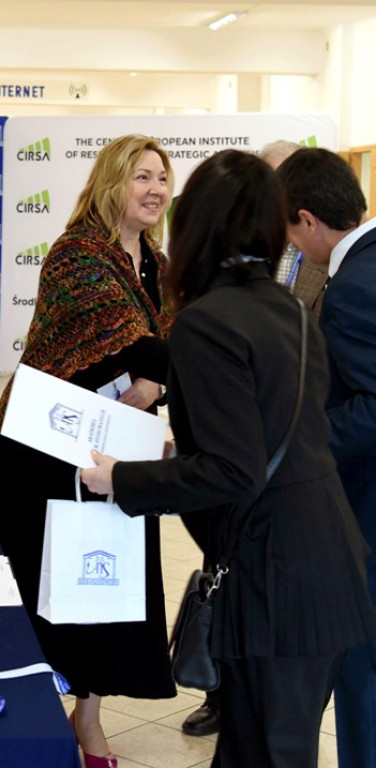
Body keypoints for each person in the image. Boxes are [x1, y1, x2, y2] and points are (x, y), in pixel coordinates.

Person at [82, 149, 376, 766]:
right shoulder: (288, 308)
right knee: (257, 746)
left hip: (277, 580)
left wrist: (123, 479)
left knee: (267, 750)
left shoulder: (206, 321)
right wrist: (178, 453)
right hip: (326, 568)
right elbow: (276, 432)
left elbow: (233, 470)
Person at [0, 134, 175, 768]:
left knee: (108, 583)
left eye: (162, 177)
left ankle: (88, 719)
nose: (154, 189)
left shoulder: (159, 264)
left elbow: (160, 348)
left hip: (118, 451)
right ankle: (29, 715)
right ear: (112, 182)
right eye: (141, 176)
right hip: (46, 449)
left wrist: (158, 381)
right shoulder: (77, 255)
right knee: (41, 585)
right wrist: (162, 371)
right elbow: (137, 345)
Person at [276, 147, 376, 768]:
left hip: (366, 507)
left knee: (360, 663)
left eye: (289, 229)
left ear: (308, 220)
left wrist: (297, 439)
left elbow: (372, 404)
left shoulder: (354, 287)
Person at [259, 140, 327, 317]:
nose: (284, 192)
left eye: (292, 182)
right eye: (276, 182)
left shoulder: (327, 250)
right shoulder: (241, 246)